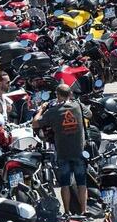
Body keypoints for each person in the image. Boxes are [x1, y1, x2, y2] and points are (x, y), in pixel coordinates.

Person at [32, 83, 89, 214]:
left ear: (57, 95)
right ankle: (84, 211)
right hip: (79, 151)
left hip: (63, 152)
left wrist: (41, 109)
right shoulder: (78, 105)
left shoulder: (53, 111)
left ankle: (67, 212)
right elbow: (89, 114)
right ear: (70, 94)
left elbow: (35, 123)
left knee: (65, 184)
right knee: (82, 183)